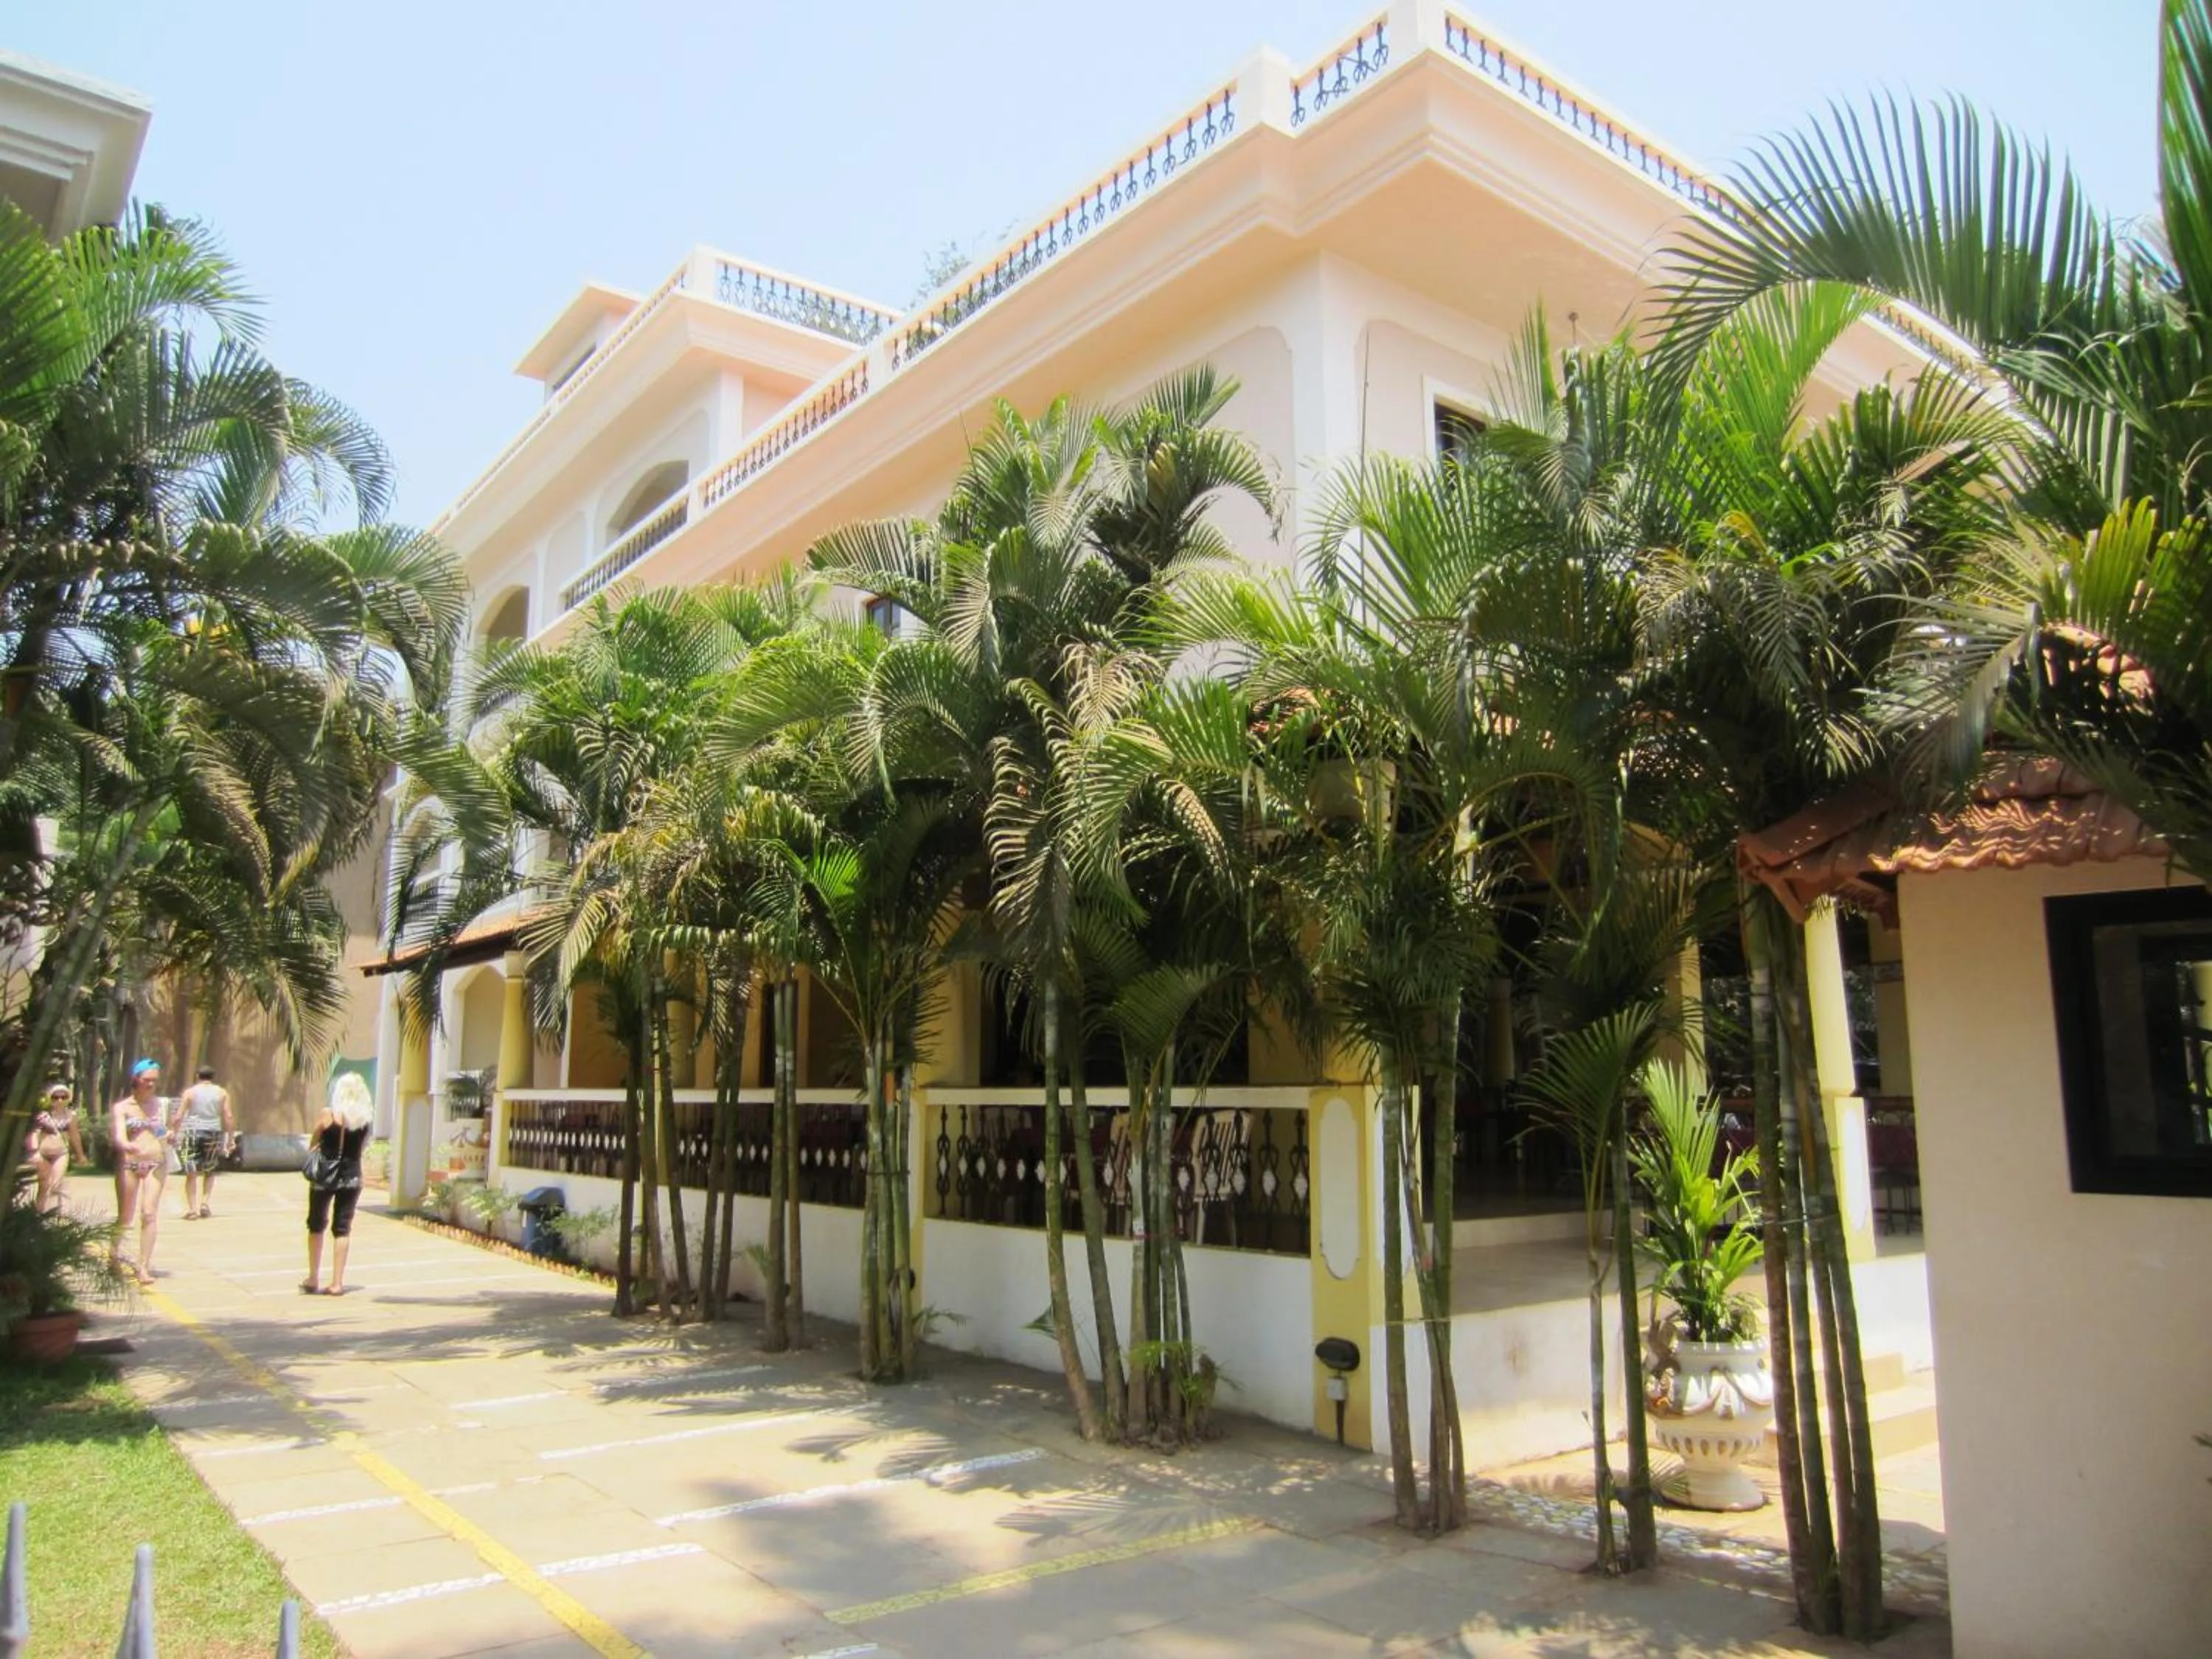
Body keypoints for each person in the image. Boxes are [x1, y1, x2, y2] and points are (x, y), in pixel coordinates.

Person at [302, 1072, 374, 1296]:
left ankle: (313, 1277)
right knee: (342, 1228)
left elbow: (313, 1142)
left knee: (316, 1224)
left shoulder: (328, 1115)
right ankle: (337, 1282)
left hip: (325, 1177)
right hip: (352, 1177)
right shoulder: (364, 1121)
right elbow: (360, 1150)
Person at [108, 1060, 170, 1285]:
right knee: (125, 1216)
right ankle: (113, 1256)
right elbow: (119, 1137)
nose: (151, 1085)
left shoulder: (160, 1105)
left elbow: (166, 1132)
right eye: (147, 1080)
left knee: (149, 1214)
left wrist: (170, 1136)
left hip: (156, 1162)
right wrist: (126, 1145)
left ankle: (143, 1266)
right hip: (130, 1164)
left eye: (154, 1080)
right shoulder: (123, 1107)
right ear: (135, 1079)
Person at [175, 1065, 235, 1219]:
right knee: (210, 1169)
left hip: (192, 1131)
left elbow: (179, 1115)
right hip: (213, 1132)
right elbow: (228, 1116)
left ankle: (192, 1208)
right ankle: (205, 1203)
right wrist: (230, 1138)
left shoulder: (190, 1092)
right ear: (212, 1077)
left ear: (198, 1076)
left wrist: (173, 1132)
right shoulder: (222, 1093)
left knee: (191, 1171)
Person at [26, 1083, 87, 1214]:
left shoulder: (71, 1115)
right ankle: (38, 1213)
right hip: (43, 1154)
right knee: (44, 1185)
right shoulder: (43, 1115)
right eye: (55, 1097)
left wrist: (80, 1155)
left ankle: (52, 1213)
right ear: (50, 1098)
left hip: (61, 1153)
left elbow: (75, 1135)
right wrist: (34, 1152)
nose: (59, 1100)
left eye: (63, 1097)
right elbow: (34, 1134)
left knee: (56, 1183)